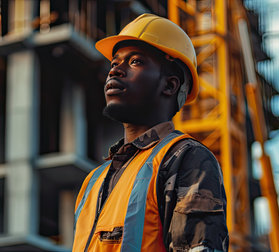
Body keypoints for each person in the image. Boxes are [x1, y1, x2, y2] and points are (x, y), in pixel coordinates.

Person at [73, 13, 228, 252]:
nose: (114, 71)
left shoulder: (186, 160)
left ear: (169, 85)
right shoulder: (93, 182)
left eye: (134, 61)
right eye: (114, 63)